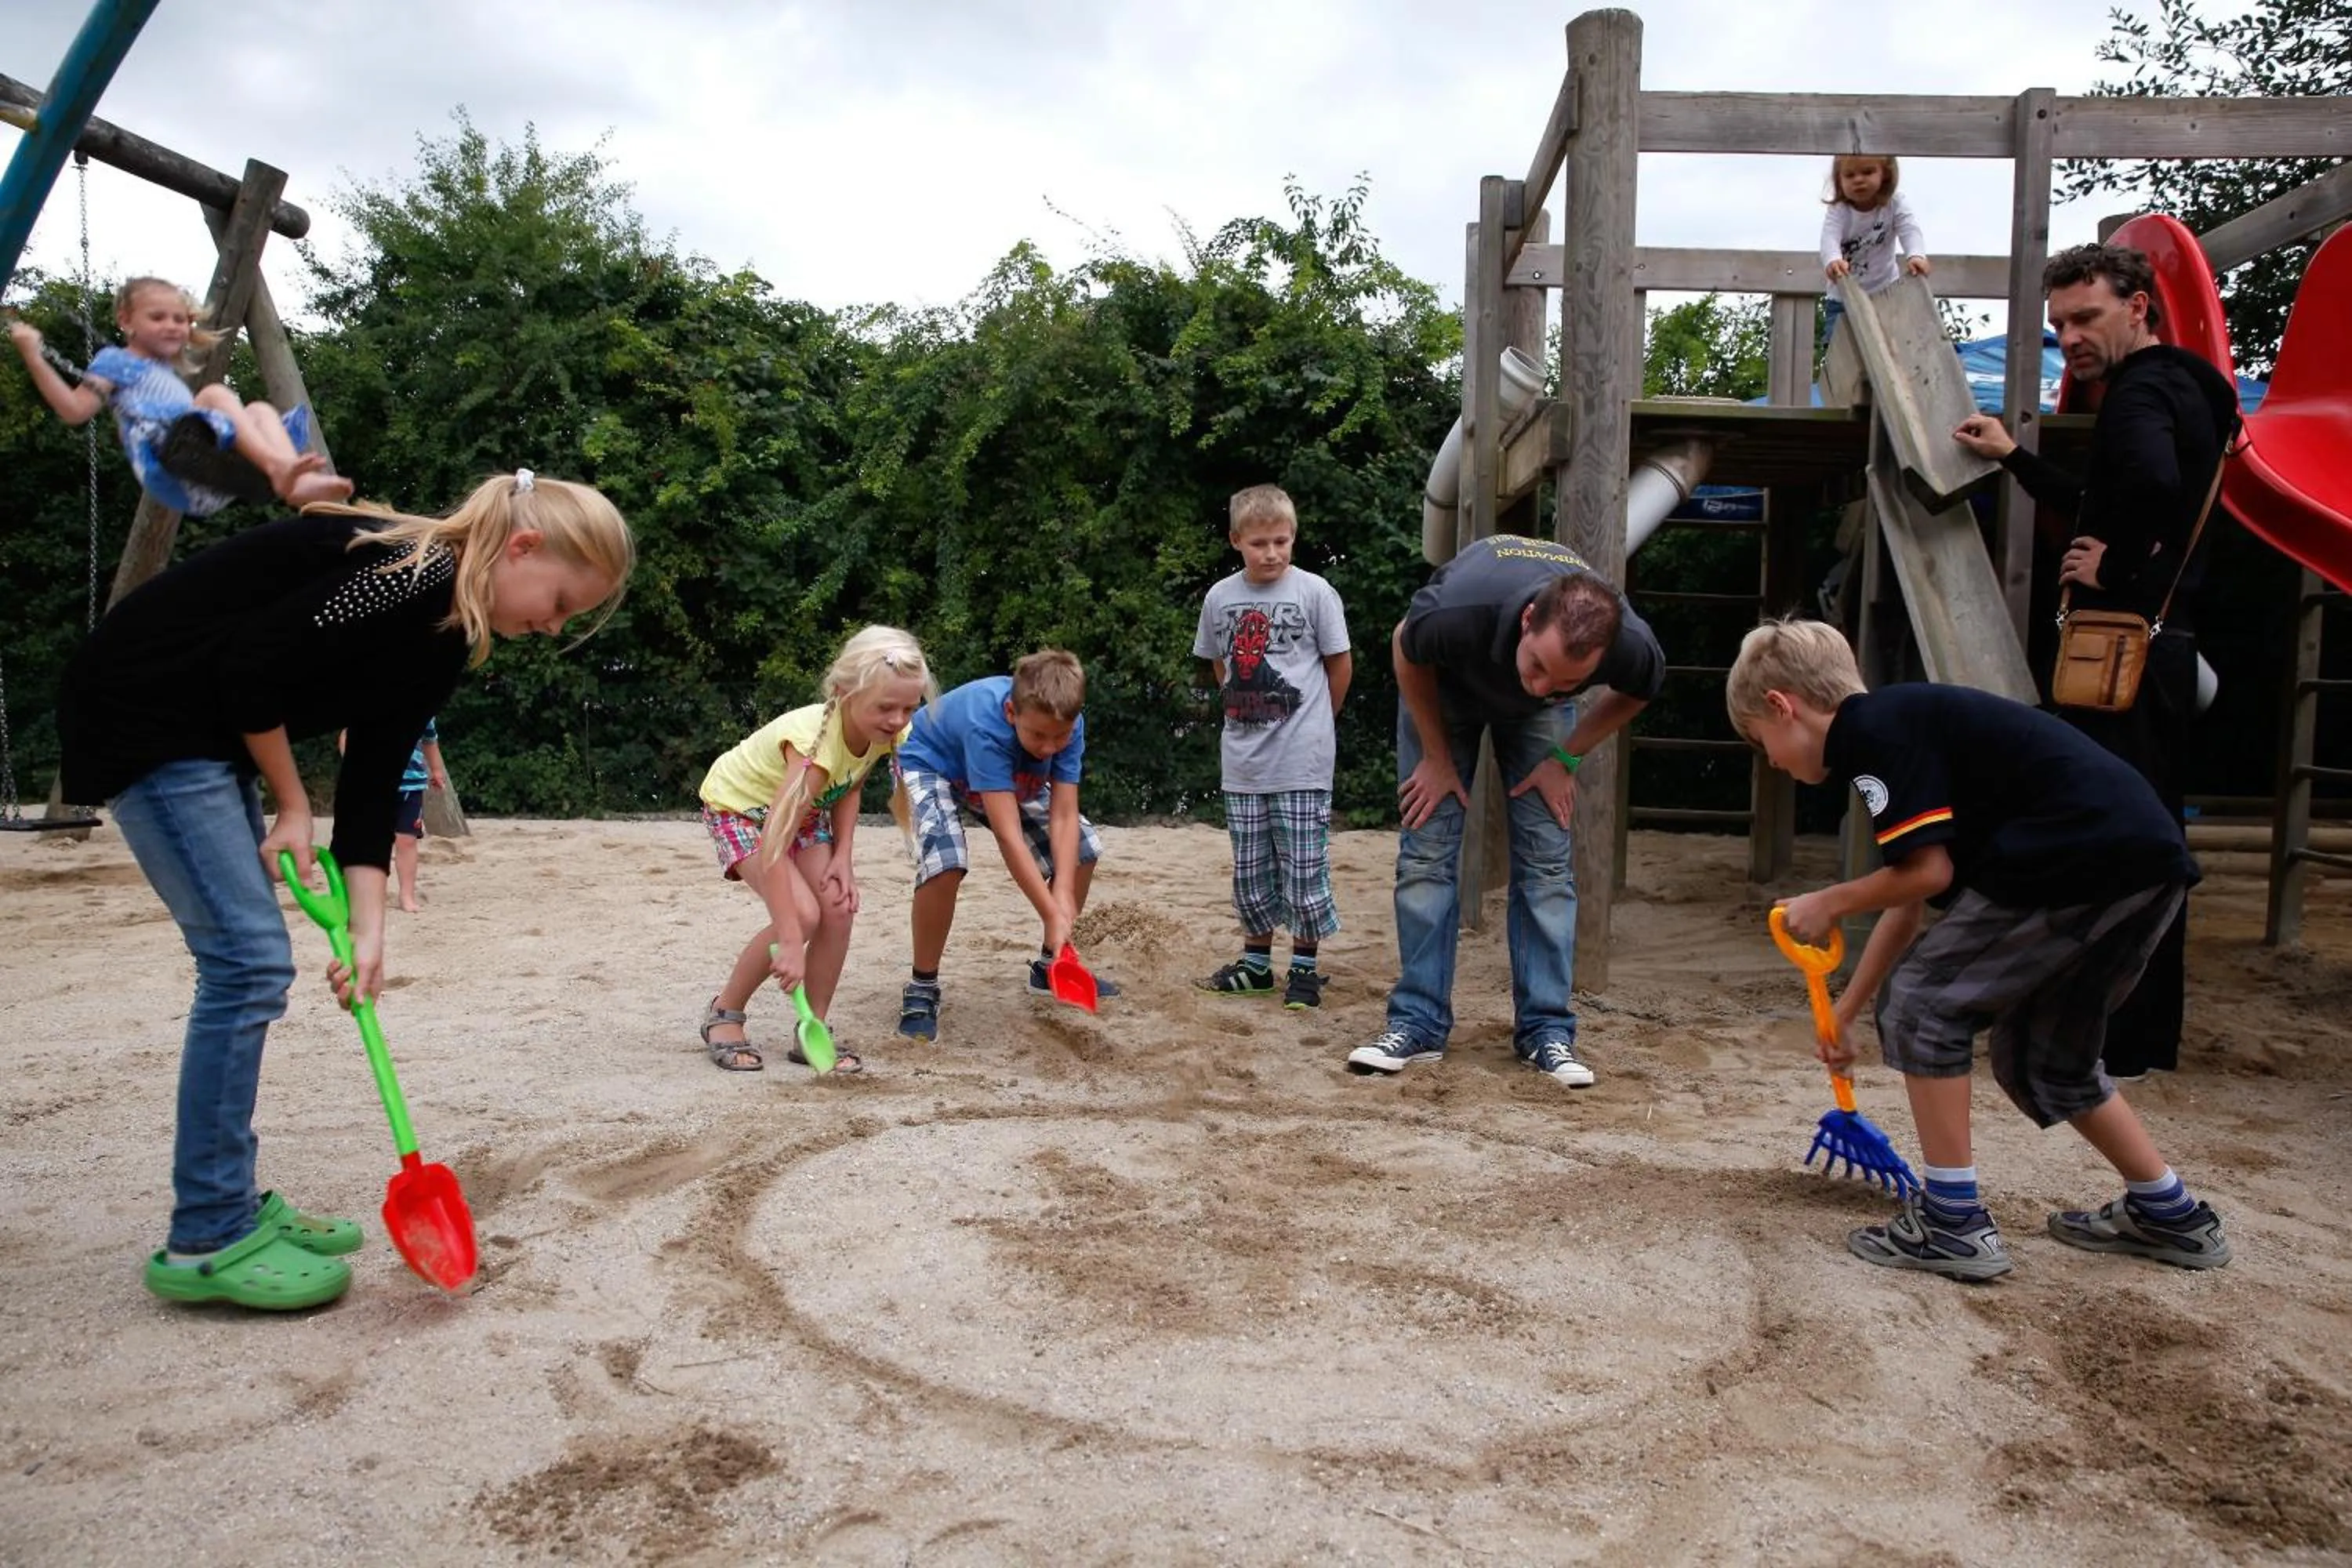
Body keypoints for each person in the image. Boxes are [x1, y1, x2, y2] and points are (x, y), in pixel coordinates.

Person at [57, 470, 633, 1311]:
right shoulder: (406, 569)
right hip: (147, 713)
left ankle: (232, 1198)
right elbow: (250, 669)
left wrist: (371, 933)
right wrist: (292, 802)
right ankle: (209, 1233)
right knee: (248, 962)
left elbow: (373, 770)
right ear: (522, 548)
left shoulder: (441, 629)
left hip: (203, 726)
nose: (552, 625)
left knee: (251, 962)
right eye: (558, 601)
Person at [1730, 619, 2230, 1282]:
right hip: (2141, 865)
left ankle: (1953, 1223)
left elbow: (1926, 877)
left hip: (2077, 857)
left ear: (1781, 707)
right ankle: (2170, 1212)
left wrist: (1829, 901)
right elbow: (1908, 900)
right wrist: (1846, 1010)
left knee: (1924, 1005)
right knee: (2046, 1056)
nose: (1770, 760)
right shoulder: (1901, 732)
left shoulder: (1873, 730)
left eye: (1761, 742)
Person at [1952, 241, 2241, 1080]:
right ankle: (2140, 1029)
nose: (2071, 337)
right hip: (2164, 641)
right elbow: (2113, 497)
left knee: (2112, 835)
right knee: (2148, 834)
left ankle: (2119, 1029)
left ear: (2140, 307)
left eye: (2087, 317)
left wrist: (2111, 570)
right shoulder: (2199, 389)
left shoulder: (2141, 390)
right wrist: (2013, 456)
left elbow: (2148, 483)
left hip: (2125, 653)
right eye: (2060, 324)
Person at [1345, 533, 1664, 1087]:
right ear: (1527, 624)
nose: (1541, 686)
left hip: (1543, 730)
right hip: (1446, 691)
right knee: (1426, 849)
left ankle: (1547, 1032)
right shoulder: (1459, 609)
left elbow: (1641, 690)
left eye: (1567, 682)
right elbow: (1405, 646)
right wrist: (1438, 757)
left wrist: (1566, 758)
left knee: (1546, 863)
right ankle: (1417, 1023)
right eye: (1538, 666)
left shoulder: (1626, 644)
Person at [695, 626, 935, 1073]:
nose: (898, 719)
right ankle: (724, 1014)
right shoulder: (812, 744)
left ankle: (813, 1028)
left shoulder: (883, 731)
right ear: (845, 693)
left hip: (803, 813)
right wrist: (789, 939)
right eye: (886, 707)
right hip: (743, 812)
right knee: (802, 915)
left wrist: (843, 855)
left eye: (909, 707)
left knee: (838, 908)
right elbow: (774, 838)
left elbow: (851, 782)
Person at [891, 649, 1120, 1042]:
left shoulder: (1069, 724)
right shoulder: (988, 727)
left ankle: (1051, 967)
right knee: (947, 862)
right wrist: (1051, 910)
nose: (1049, 748)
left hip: (1000, 773)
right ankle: (922, 986)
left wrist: (1062, 890)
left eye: (1059, 737)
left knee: (1083, 847)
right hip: (930, 763)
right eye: (1038, 736)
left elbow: (1064, 814)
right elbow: (1008, 834)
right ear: (1012, 712)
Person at [1192, 485, 1353, 1009]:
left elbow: (1339, 664)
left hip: (1302, 758)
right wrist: (1238, 703)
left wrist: (1319, 722)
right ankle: (1256, 964)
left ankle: (1304, 969)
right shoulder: (1220, 597)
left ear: (1293, 537)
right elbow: (1219, 663)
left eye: (1281, 541)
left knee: (1304, 866)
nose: (1272, 553)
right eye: (1259, 542)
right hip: (1243, 761)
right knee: (1251, 869)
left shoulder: (1315, 593)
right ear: (1237, 540)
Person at [8, 277, 352, 514]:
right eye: (158, 317)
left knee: (260, 409)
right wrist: (33, 356)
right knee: (215, 393)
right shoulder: (117, 362)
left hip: (209, 479)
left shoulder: (167, 373)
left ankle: (295, 482)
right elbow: (73, 410)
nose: (173, 326)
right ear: (126, 320)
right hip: (172, 464)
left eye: (180, 319)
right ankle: (282, 470)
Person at [336, 718, 451, 913]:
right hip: (374, 788)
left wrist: (437, 770)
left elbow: (430, 742)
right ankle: (368, 894)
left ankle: (406, 895)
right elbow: (347, 734)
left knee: (407, 841)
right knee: (372, 841)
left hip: (412, 787)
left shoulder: (426, 710)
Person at [1817, 154, 1932, 343]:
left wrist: (1916, 255)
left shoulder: (1895, 204)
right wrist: (1833, 260)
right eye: (1849, 175)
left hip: (1886, 292)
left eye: (1868, 172)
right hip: (1844, 298)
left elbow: (1909, 229)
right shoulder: (1840, 209)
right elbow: (1829, 237)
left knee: (1891, 345)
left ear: (1885, 174)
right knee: (1838, 348)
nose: (1859, 180)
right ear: (1840, 180)